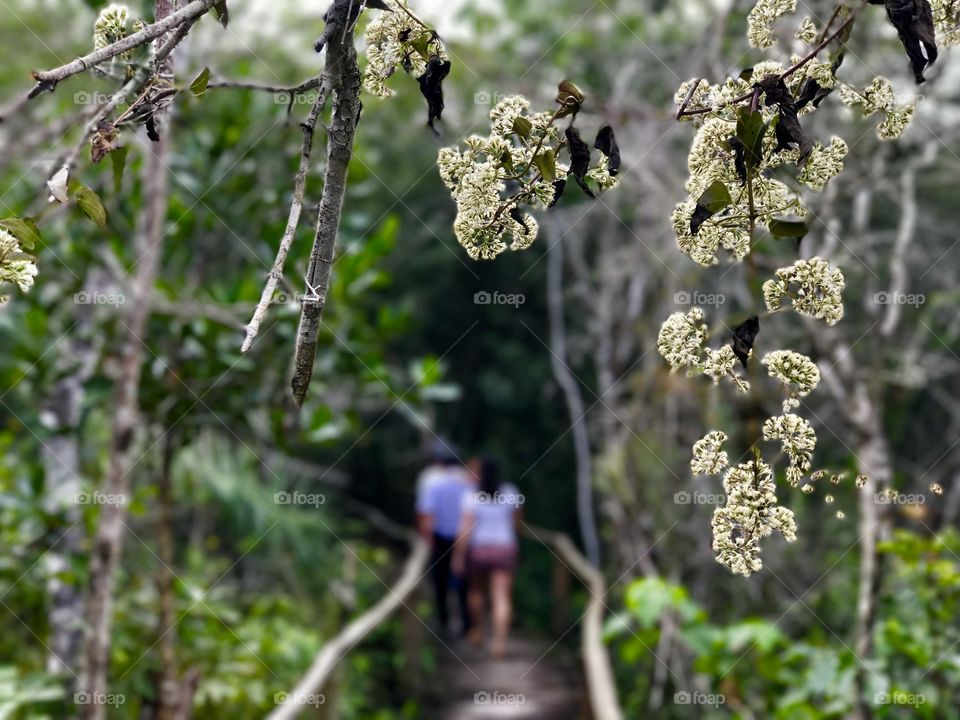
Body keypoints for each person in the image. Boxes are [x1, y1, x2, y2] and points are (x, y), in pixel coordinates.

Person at [452, 457, 522, 659]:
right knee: (501, 597)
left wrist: (457, 556)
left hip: (479, 549)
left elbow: (465, 529)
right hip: (504, 548)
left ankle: (479, 630)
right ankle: (500, 642)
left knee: (476, 591)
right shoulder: (510, 492)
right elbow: (518, 524)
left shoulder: (471, 495)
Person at [416, 442, 471, 636]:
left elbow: (426, 513)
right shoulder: (466, 480)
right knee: (464, 581)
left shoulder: (430, 479)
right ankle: (467, 623)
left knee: (439, 581)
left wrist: (427, 539)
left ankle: (443, 621)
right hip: (465, 537)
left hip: (440, 537)